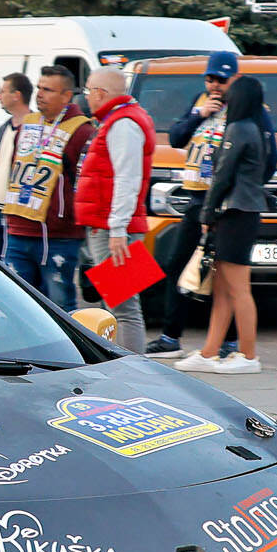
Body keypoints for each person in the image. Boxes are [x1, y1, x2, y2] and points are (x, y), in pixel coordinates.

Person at [178, 75, 275, 374]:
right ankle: (209, 353)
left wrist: (206, 214)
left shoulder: (239, 128)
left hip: (236, 212)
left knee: (238, 288)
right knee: (222, 289)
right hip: (240, 211)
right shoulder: (255, 128)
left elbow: (222, 175)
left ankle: (248, 356)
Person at [73, 66, 154, 352]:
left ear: (99, 93)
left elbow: (127, 178)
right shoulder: (121, 119)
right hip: (113, 226)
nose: (86, 96)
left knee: (124, 308)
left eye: (88, 90)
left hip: (115, 229)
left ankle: (133, 369)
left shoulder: (123, 123)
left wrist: (118, 229)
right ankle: (127, 365)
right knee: (119, 305)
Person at [0, 65, 92, 308]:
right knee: (15, 306)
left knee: (60, 307)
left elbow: (84, 183)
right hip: (19, 228)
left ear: (67, 96)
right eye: (39, 87)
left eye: (48, 90)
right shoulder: (28, 123)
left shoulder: (82, 130)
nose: (40, 94)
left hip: (58, 236)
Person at [0, 73, 32, 256]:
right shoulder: (4, 127)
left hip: (17, 215)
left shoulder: (35, 128)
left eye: (3, 91)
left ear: (16, 95)